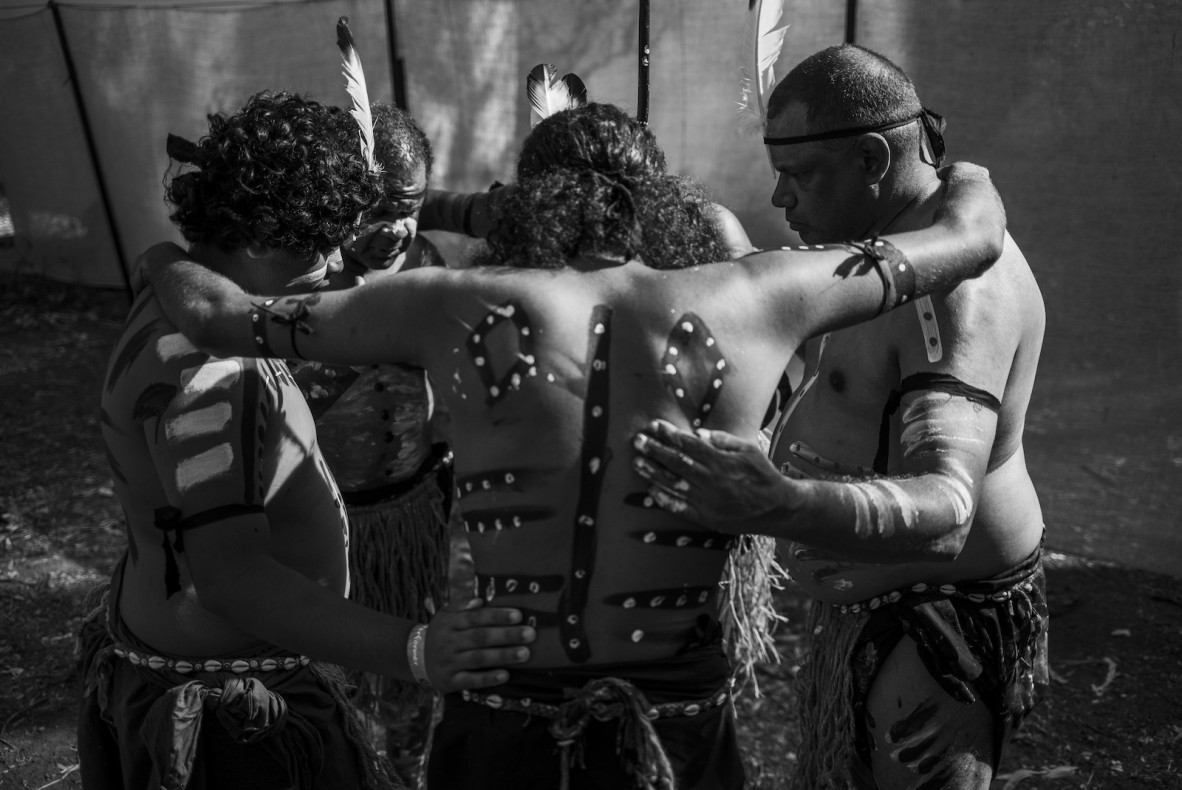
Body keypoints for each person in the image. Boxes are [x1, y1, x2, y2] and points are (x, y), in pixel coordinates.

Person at [135, 101, 1006, 790]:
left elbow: (216, 316)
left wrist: (160, 252)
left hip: (499, 706)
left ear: (527, 200)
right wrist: (959, 165)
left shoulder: (449, 302)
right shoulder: (765, 292)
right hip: (676, 719)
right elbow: (969, 240)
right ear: (660, 195)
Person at [79, 90, 533, 790]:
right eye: (320, 242)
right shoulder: (213, 374)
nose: (332, 264)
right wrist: (414, 649)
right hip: (238, 722)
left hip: (202, 670)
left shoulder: (174, 296)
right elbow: (231, 578)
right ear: (260, 237)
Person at [630, 45, 1048, 789]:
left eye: (800, 177)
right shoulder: (891, 254)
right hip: (878, 613)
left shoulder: (955, 293)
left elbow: (948, 506)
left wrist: (776, 502)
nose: (783, 199)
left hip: (935, 634)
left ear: (871, 159)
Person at [287, 102, 470, 785]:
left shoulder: (425, 260)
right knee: (335, 675)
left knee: (413, 667)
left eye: (411, 205)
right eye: (377, 207)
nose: (395, 225)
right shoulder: (300, 280)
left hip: (415, 513)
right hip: (323, 524)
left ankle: (408, 773)